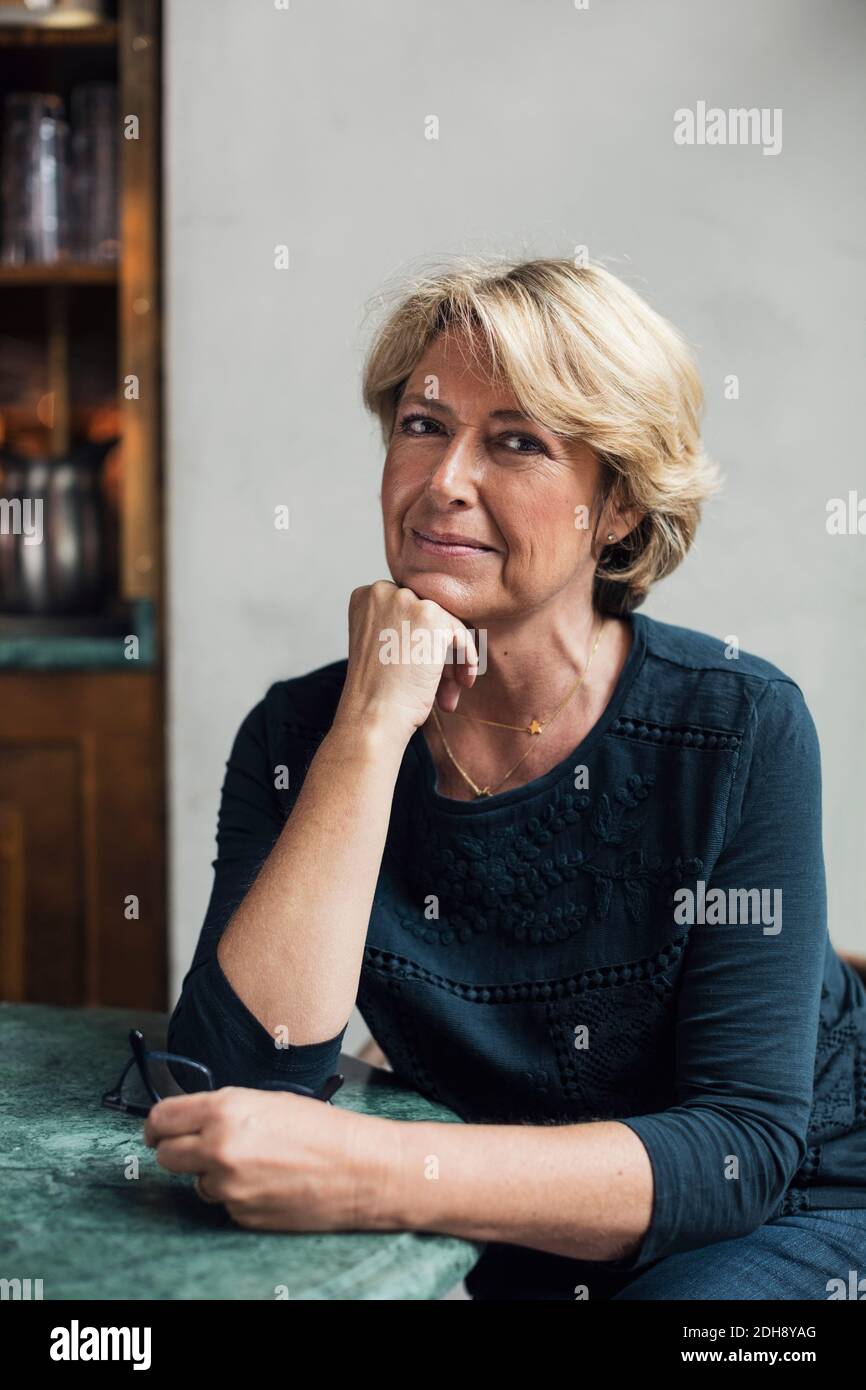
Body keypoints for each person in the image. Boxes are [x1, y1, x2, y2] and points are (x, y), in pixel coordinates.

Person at [147, 258, 866, 1299]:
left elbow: (734, 1152)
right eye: (422, 425)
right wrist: (368, 726)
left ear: (614, 505)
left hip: (791, 1217)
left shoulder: (739, 726)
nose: (443, 480)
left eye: (516, 441)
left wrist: (375, 1171)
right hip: (500, 1221)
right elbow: (243, 1085)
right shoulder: (300, 730)